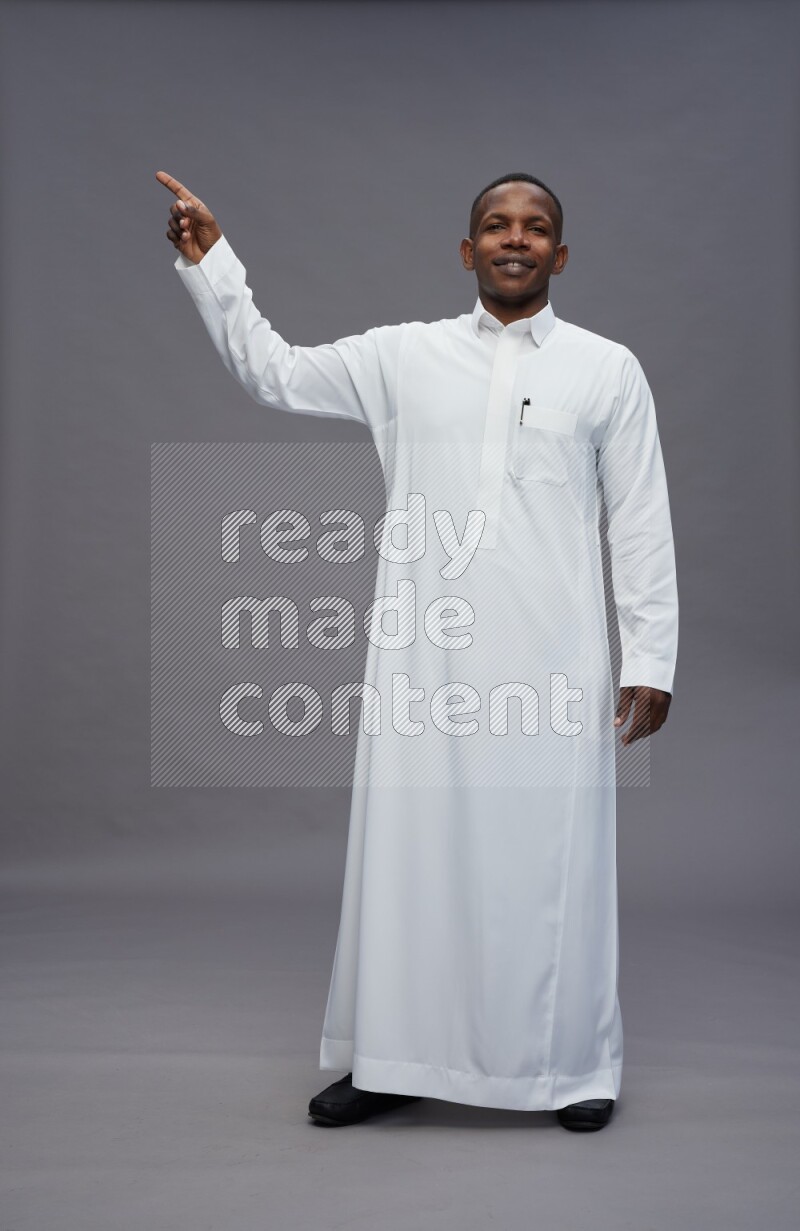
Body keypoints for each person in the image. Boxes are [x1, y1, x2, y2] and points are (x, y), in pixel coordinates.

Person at [156, 168, 678, 1132]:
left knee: (551, 865)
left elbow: (640, 520)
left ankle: (572, 1066)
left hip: (553, 664)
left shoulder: (608, 370)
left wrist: (651, 657)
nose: (513, 239)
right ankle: (394, 1057)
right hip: (424, 664)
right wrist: (214, 264)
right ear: (467, 248)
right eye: (494, 225)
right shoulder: (406, 356)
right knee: (411, 861)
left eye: (534, 229)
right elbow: (273, 369)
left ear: (559, 255)